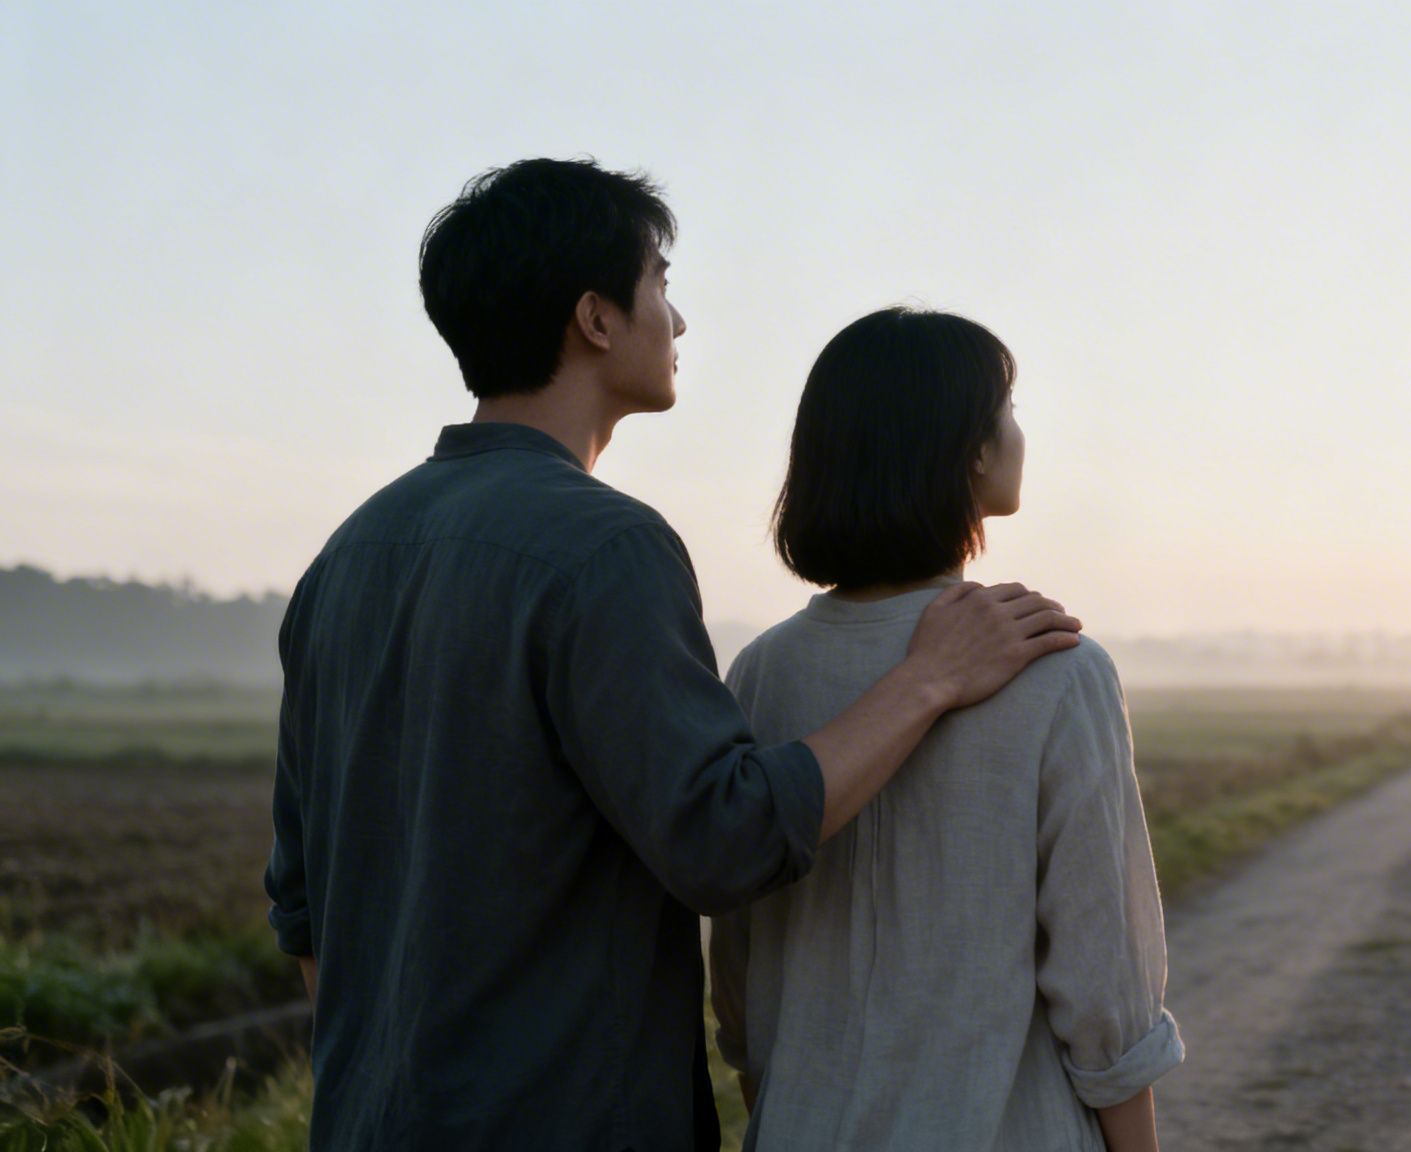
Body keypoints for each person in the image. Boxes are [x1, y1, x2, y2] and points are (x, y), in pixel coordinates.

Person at [262, 160, 1082, 1151]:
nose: (678, 321)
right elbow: (722, 838)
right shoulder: (603, 548)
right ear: (595, 319)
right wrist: (929, 678)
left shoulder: (346, 559)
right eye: (658, 284)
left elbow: (302, 909)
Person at [710, 307, 1181, 1151]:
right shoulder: (1058, 668)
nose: (1018, 434)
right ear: (970, 452)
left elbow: (740, 970)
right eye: (1006, 410)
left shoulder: (761, 673)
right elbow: (1104, 982)